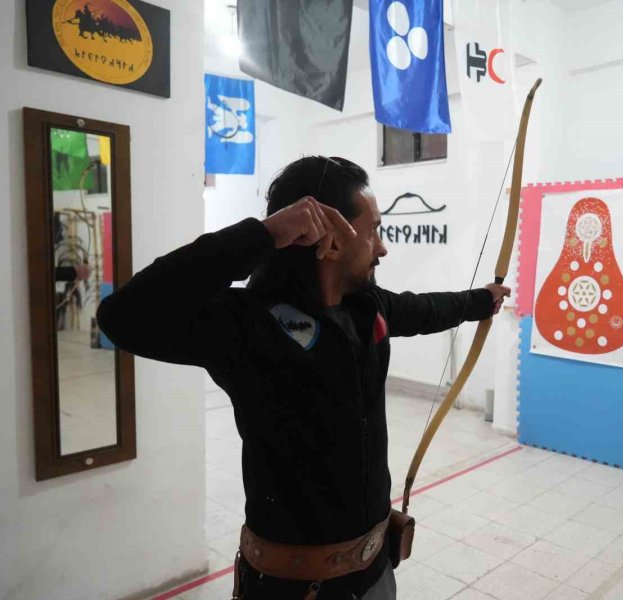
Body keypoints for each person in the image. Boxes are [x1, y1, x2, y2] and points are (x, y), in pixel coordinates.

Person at [96, 156, 509, 599]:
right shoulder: (244, 324)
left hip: (374, 571)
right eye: (373, 231)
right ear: (328, 238)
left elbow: (428, 308)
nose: (382, 247)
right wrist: (264, 234)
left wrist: (481, 300)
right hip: (293, 589)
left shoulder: (365, 306)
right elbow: (122, 316)